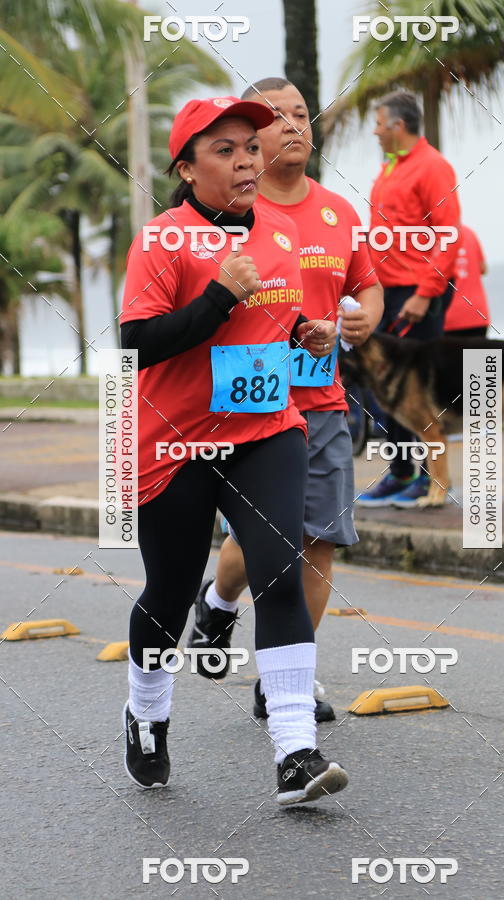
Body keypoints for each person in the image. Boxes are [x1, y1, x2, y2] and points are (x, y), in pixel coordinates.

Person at [120, 95, 348, 805]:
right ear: (187, 170)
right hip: (176, 442)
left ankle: (295, 753)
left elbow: (272, 320)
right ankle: (146, 711)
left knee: (279, 575)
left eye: (251, 146)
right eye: (225, 150)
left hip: (265, 431)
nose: (248, 160)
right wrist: (219, 296)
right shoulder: (160, 240)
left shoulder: (282, 231)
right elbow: (137, 344)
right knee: (168, 592)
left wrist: (307, 332)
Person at [187, 78, 383, 721]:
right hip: (250, 400)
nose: (295, 124)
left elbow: (367, 285)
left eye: (302, 113)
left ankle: (283, 681)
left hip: (321, 402)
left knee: (318, 539)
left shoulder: (338, 212)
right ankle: (217, 603)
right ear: (251, 140)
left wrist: (364, 317)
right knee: (262, 539)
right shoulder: (226, 215)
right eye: (278, 117)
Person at [356, 90, 461, 509]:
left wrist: (425, 293)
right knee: (388, 389)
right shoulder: (390, 167)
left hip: (417, 293)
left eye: (379, 124)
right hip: (387, 293)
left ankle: (429, 480)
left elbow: (448, 234)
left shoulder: (432, 166)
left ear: (398, 126)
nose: (375, 132)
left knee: (418, 393)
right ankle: (401, 472)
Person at [444, 224, 490, 338]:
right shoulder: (468, 232)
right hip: (477, 313)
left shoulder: (427, 236)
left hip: (447, 316)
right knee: (479, 350)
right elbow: (483, 268)